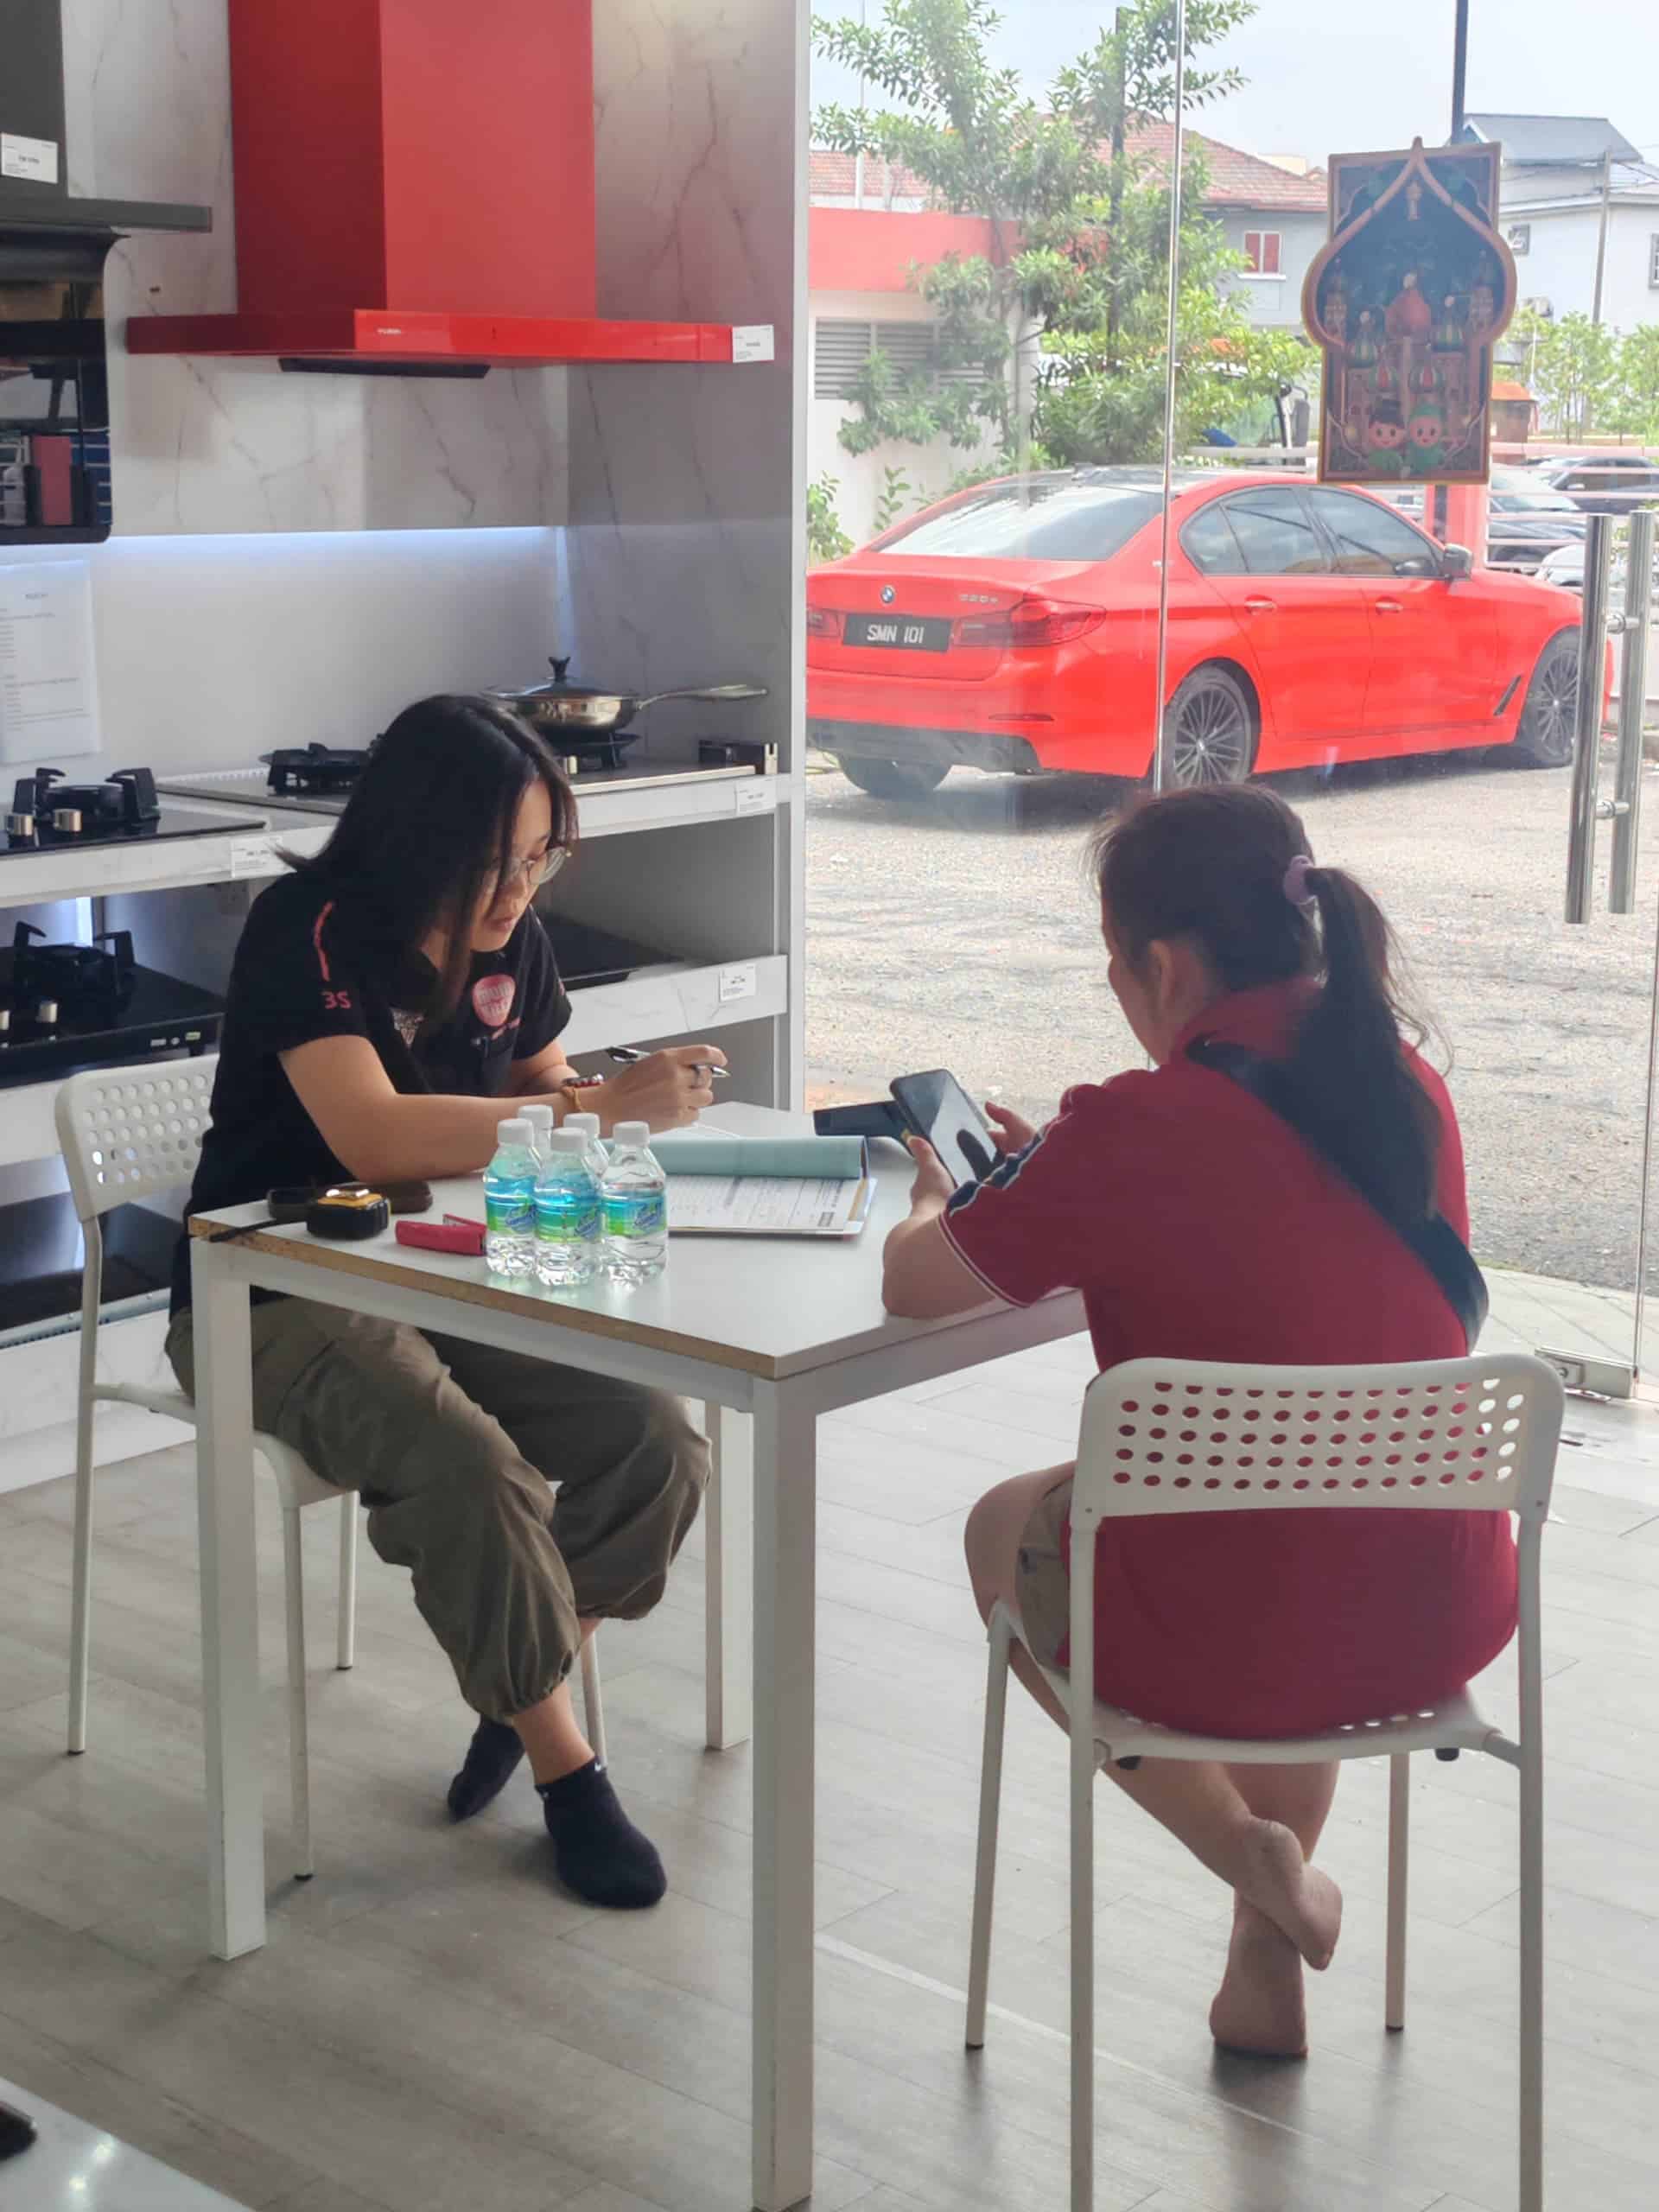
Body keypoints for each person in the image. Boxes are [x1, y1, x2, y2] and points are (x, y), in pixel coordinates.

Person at [881, 783, 1515, 2058]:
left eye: (1118, 969)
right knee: (1296, 1532)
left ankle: (1246, 1851)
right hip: (1433, 1607)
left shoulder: (1133, 1127)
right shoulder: (1408, 1089)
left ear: (1164, 967)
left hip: (1236, 1620)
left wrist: (940, 1200)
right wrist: (1060, 1176)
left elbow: (916, 1284)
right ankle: (1262, 1969)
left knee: (1006, 1527)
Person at [167, 695, 723, 1910]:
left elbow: (540, 1080)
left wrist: (604, 1109)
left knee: (655, 1445)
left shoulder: (510, 940)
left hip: (434, 1267)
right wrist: (595, 1111)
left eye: (542, 857)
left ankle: (519, 1687)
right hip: (265, 1282)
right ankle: (568, 1770)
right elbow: (372, 1133)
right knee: (471, 1466)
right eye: (498, 862)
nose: (522, 889)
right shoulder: (309, 928)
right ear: (419, 839)